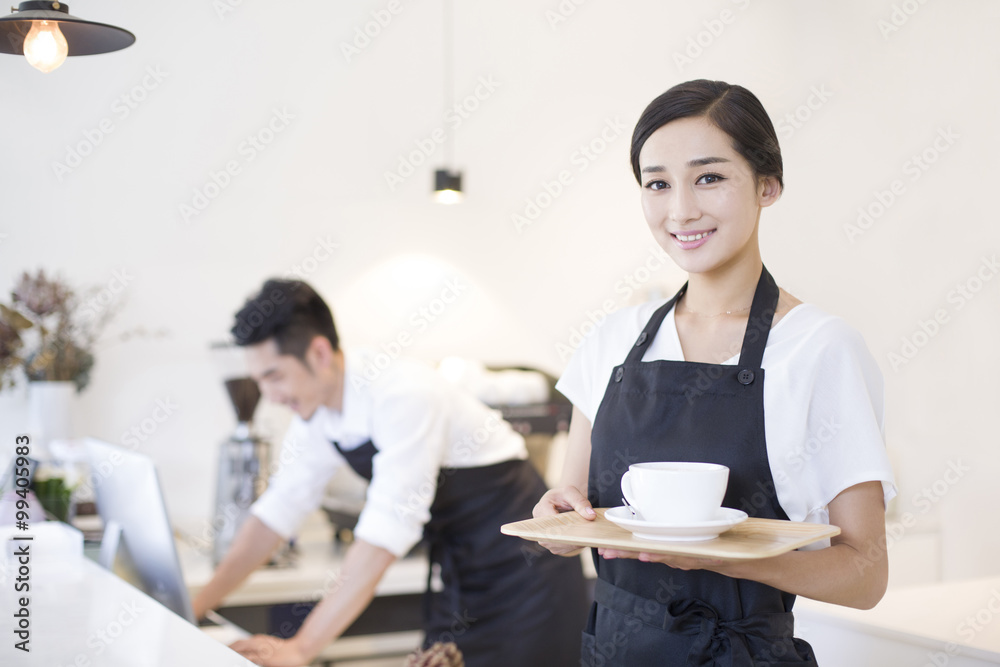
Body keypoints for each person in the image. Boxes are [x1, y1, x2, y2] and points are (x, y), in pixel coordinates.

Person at [533, 79, 897, 665]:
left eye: (709, 177)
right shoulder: (611, 342)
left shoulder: (819, 349)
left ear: (767, 184)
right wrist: (556, 516)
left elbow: (866, 573)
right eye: (657, 183)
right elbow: (575, 512)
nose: (681, 210)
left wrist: (719, 557)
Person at [193, 279, 587, 667]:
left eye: (274, 376)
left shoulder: (402, 393)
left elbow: (385, 532)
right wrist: (195, 605)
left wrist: (300, 649)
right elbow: (277, 512)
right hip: (460, 577)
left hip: (527, 578)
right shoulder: (317, 411)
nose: (270, 397)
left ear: (318, 352)